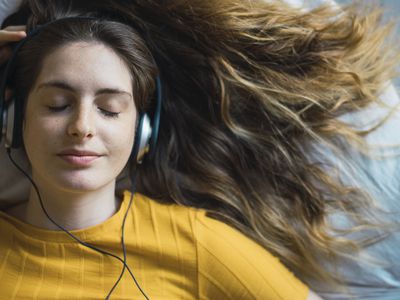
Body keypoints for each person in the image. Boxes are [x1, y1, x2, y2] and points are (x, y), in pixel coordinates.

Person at [0, 0, 399, 299]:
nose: (82, 127)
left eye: (109, 109)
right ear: (15, 120)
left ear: (143, 132)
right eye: (57, 105)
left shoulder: (194, 243)